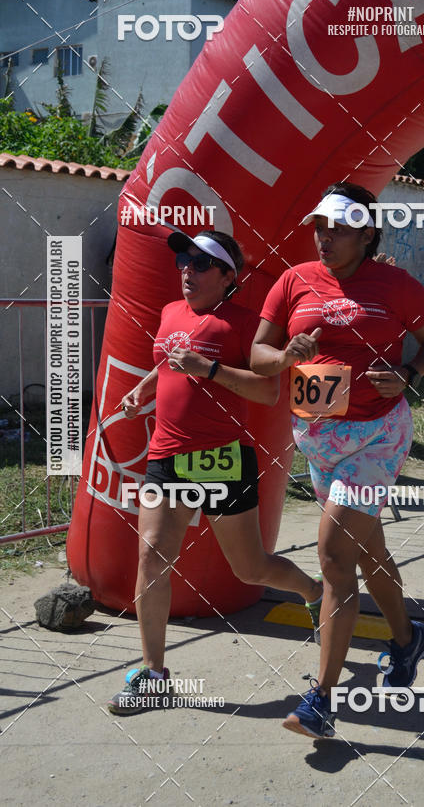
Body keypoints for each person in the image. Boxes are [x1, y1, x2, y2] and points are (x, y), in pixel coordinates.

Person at [250, 182, 424, 739]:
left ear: (367, 232)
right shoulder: (293, 281)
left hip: (376, 438)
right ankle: (410, 641)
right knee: (368, 551)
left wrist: (410, 374)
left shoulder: (397, 284)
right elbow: (258, 353)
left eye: (337, 227)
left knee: (335, 555)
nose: (324, 237)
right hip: (318, 440)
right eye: (319, 226)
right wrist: (284, 354)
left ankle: (321, 701)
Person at [108, 230, 323, 715]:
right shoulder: (169, 313)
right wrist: (144, 389)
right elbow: (166, 362)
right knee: (151, 559)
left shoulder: (244, 324)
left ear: (229, 276)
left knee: (250, 569)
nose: (187, 269)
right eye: (184, 260)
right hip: (166, 457)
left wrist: (207, 369)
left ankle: (313, 591)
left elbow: (267, 393)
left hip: (221, 460)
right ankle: (154, 673)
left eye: (201, 264)